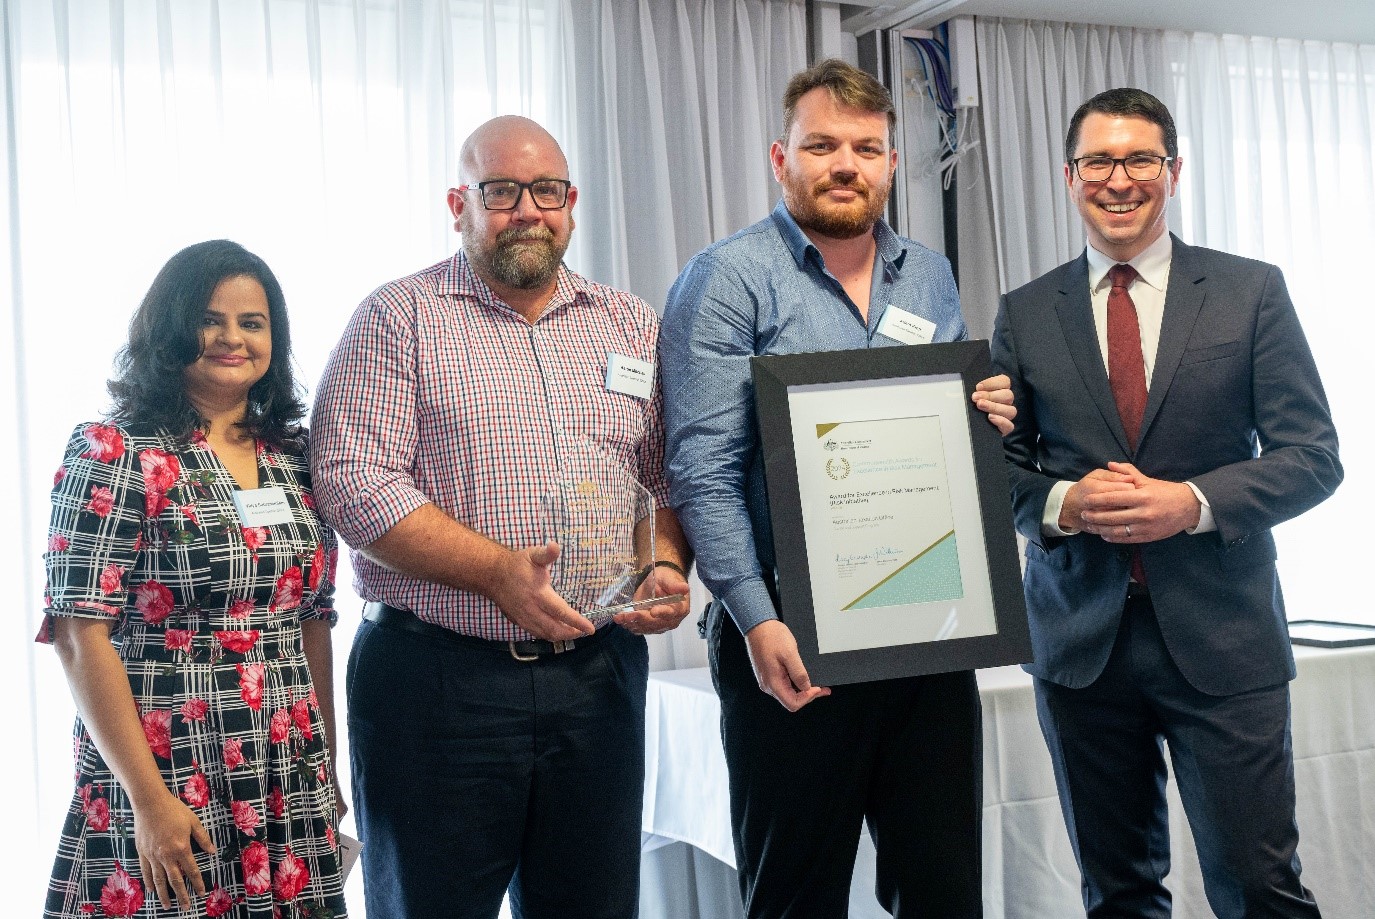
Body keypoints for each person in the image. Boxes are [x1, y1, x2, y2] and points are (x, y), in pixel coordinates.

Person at [310, 115, 692, 919]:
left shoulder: (630, 323)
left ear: (572, 202)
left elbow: (663, 481)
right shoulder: (397, 318)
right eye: (501, 191)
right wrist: (496, 572)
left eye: (546, 190)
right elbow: (350, 480)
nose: (528, 209)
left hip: (597, 680)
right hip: (436, 686)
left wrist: (662, 563)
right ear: (459, 203)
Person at [660, 59, 1015, 918]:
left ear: (892, 163)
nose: (844, 163)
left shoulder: (927, 275)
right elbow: (699, 470)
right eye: (821, 144)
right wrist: (755, 617)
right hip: (789, 638)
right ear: (781, 158)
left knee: (942, 891)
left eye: (866, 146)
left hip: (925, 629)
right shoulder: (727, 278)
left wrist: (984, 414)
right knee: (795, 896)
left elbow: (942, 436)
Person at [991, 87, 1341, 918]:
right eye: (1098, 161)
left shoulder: (1250, 292)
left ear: (1173, 170)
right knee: (1117, 894)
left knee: (1259, 889)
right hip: (1080, 650)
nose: (1119, 179)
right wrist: (1067, 502)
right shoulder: (1024, 310)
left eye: (1140, 159)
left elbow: (1312, 457)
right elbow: (1000, 472)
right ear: (1068, 175)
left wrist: (1191, 502)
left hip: (1224, 641)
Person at [40, 240, 349, 918]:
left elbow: (313, 618)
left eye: (253, 321)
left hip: (282, 762)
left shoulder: (295, 456)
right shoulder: (115, 449)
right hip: (165, 759)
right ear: (171, 326)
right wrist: (148, 801)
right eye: (212, 319)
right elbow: (77, 634)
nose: (232, 337)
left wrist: (323, 763)